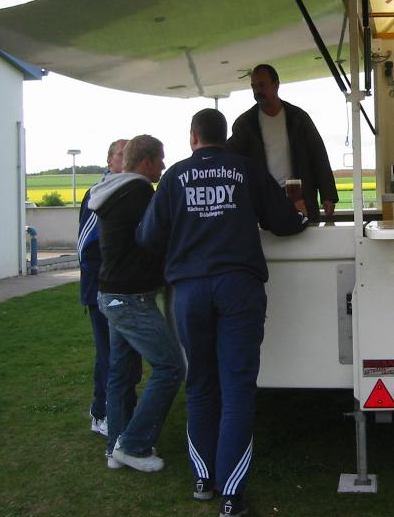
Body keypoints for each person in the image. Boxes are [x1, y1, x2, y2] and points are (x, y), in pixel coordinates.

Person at [137, 108, 308, 516]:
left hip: (189, 290)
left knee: (199, 383)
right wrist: (300, 216)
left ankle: (203, 479)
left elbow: (147, 236)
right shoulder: (245, 169)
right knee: (237, 389)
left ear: (193, 137)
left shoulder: (175, 176)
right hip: (238, 287)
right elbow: (284, 221)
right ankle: (231, 496)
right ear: (224, 136)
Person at [88, 134, 184, 472]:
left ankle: (115, 447)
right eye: (160, 159)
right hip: (130, 299)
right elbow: (162, 235)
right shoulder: (140, 193)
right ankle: (133, 445)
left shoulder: (113, 190)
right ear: (145, 162)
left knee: (122, 374)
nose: (163, 165)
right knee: (171, 367)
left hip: (112, 295)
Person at [77, 138, 139, 437]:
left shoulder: (131, 191)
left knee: (125, 355)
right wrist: (106, 281)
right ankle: (102, 413)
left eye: (129, 154)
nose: (125, 159)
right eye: (120, 154)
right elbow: (85, 248)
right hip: (102, 290)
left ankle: (119, 410)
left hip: (124, 288)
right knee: (109, 355)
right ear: (109, 160)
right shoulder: (99, 193)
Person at [225, 63, 338, 222]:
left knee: (304, 236)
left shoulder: (299, 118)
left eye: (262, 85)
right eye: (254, 86)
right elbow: (229, 157)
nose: (257, 91)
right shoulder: (245, 124)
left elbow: (318, 155)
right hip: (263, 202)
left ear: (276, 85)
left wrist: (328, 196)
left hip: (300, 199)